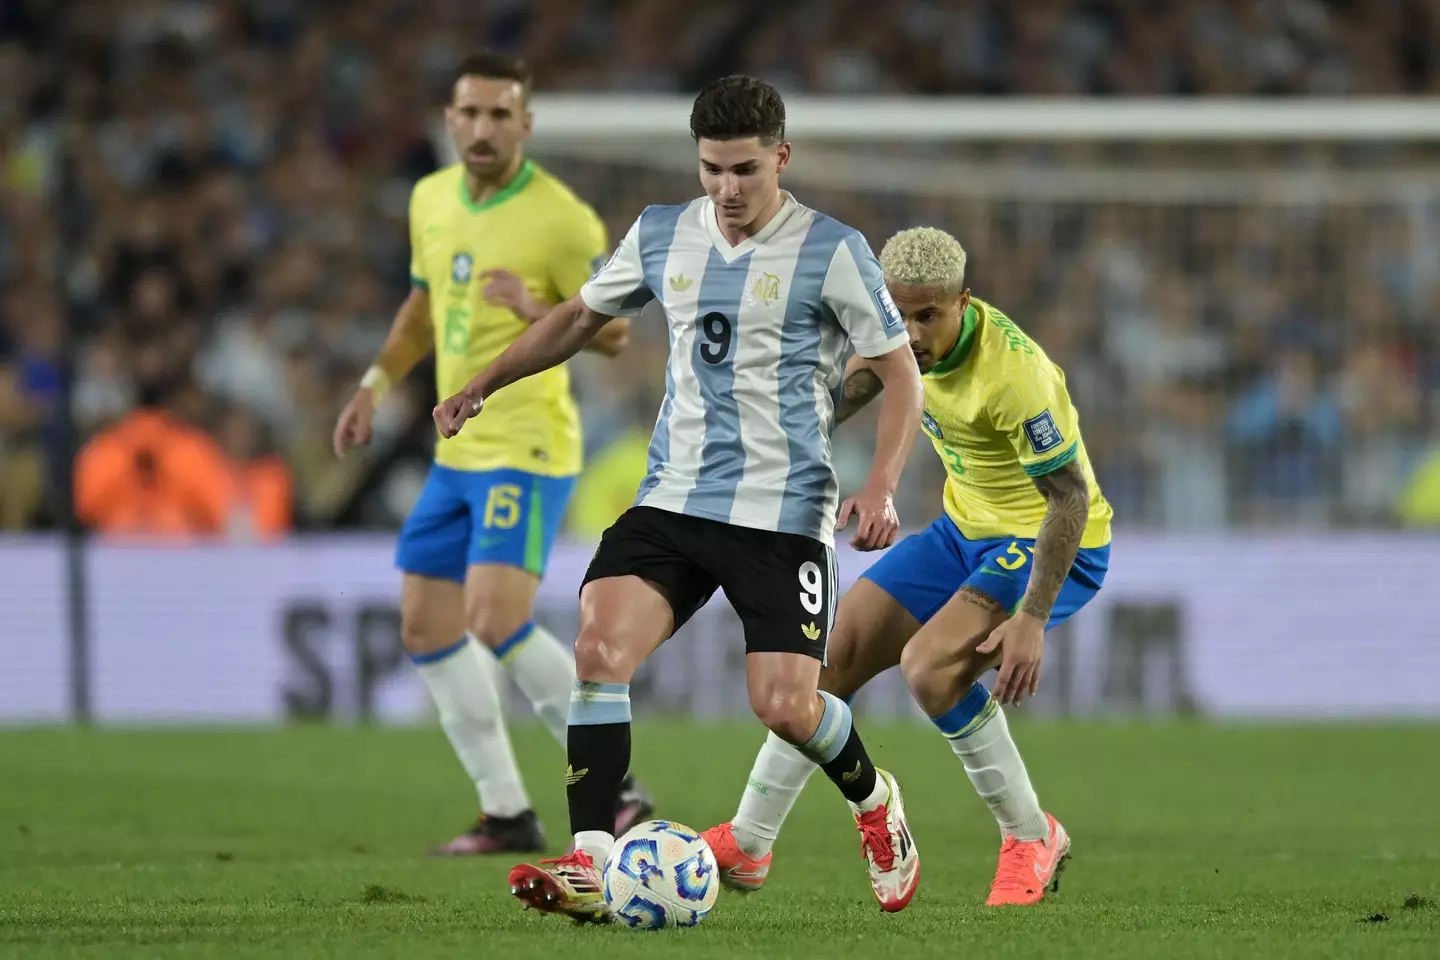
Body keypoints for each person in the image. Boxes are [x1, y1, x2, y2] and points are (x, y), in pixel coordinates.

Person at [433, 75, 927, 919]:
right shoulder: (663, 235)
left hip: (782, 514)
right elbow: (579, 319)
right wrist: (485, 381)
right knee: (597, 651)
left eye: (744, 171)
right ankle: (591, 859)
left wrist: (880, 483)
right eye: (711, 170)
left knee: (785, 707)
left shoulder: (834, 250)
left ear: (782, 157)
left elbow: (899, 373)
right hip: (672, 500)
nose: (728, 190)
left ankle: (876, 802)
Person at [702, 226, 1114, 907]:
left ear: (964, 302)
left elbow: (1068, 500)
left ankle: (1031, 835)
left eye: (930, 315)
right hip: (963, 532)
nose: (913, 333)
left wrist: (1033, 617)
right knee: (827, 659)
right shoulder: (896, 341)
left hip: (1048, 541)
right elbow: (846, 394)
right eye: (900, 315)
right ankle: (749, 842)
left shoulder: (1016, 378)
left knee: (931, 669)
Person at [333, 51, 653, 856]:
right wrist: (375, 382)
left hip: (529, 441)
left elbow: (613, 332)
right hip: (458, 450)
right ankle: (506, 811)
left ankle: (616, 789)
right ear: (449, 121)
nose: (482, 129)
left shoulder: (562, 218)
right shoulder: (430, 198)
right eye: (469, 114)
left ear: (526, 125)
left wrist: (535, 304)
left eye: (499, 115)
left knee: (495, 615)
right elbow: (420, 305)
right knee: (424, 623)